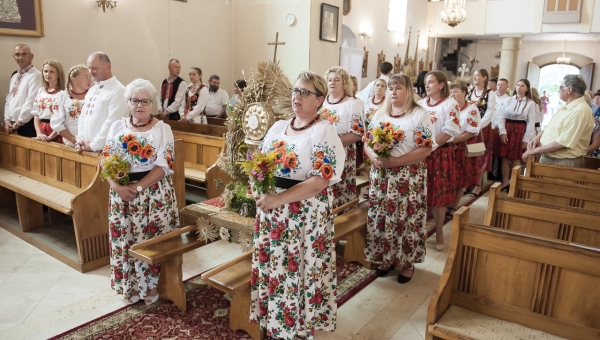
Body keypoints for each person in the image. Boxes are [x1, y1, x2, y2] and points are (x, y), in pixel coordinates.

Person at [249, 71, 345, 340]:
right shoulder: (278, 127)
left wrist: (278, 199)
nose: (297, 97)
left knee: (298, 267)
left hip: (302, 214)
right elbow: (258, 163)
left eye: (305, 92)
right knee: (276, 266)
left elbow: (319, 181)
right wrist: (257, 188)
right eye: (295, 90)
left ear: (320, 100)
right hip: (271, 211)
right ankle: (275, 321)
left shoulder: (323, 131)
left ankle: (297, 328)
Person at [102, 78, 179, 306]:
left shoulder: (162, 129)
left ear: (152, 104)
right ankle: (130, 284)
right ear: (128, 103)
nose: (140, 105)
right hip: (120, 194)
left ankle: (151, 285)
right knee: (124, 239)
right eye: (135, 100)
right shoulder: (117, 126)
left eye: (145, 101)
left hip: (151, 194)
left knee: (148, 240)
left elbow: (164, 165)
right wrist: (116, 186)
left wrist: (136, 188)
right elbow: (105, 160)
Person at [364, 74, 435, 283]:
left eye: (398, 88)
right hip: (382, 175)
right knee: (383, 216)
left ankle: (407, 262)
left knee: (405, 219)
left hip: (408, 176)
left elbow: (426, 148)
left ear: (408, 91)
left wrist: (396, 162)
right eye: (391, 88)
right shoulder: (380, 113)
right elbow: (367, 141)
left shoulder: (419, 114)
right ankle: (386, 259)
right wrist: (374, 157)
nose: (393, 92)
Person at [418, 71, 461, 252]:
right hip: (420, 153)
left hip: (440, 153)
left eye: (431, 82)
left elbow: (450, 130)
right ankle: (419, 232)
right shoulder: (420, 104)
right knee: (421, 192)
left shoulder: (451, 104)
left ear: (441, 85)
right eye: (426, 83)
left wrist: (431, 146)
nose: (427, 86)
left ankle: (440, 233)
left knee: (438, 195)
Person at [523, 75, 594, 168]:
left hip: (563, 163)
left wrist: (534, 151)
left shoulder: (580, 111)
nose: (558, 90)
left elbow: (563, 142)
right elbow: (548, 128)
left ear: (569, 90)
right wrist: (536, 139)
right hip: (552, 160)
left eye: (561, 87)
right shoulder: (566, 107)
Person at [320, 66, 365, 209]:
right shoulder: (320, 102)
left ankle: (343, 220)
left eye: (337, 80)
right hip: (320, 152)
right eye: (329, 79)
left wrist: (332, 143)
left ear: (344, 83)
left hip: (343, 151)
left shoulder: (352, 103)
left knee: (341, 189)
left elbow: (358, 134)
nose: (332, 82)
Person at [76, 52, 127, 153]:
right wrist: (80, 140)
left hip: (106, 151)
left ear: (107, 66)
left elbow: (112, 122)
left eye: (94, 68)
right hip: (87, 148)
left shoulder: (118, 90)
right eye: (89, 68)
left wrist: (93, 145)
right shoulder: (92, 90)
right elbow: (83, 117)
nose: (90, 72)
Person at [495, 79, 536, 189]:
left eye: (522, 86)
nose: (519, 87)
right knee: (504, 157)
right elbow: (501, 117)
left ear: (527, 88)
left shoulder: (530, 103)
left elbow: (531, 122)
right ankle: (504, 181)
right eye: (517, 85)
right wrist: (502, 132)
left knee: (515, 158)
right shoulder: (508, 101)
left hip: (520, 131)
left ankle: (514, 182)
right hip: (508, 129)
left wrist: (526, 139)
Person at [449, 79, 481, 214]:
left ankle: (454, 205)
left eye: (455, 91)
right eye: (451, 91)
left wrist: (454, 141)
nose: (452, 94)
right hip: (449, 145)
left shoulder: (471, 109)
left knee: (459, 177)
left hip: (462, 146)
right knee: (449, 176)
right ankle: (446, 202)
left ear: (464, 93)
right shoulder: (449, 106)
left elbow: (471, 131)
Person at [467, 69, 496, 196]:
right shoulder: (470, 91)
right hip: (468, 127)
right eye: (474, 75)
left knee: (479, 155)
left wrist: (478, 126)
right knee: (468, 154)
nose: (475, 78)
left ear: (484, 78)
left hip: (482, 129)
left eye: (477, 75)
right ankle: (467, 182)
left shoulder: (490, 94)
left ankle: (478, 185)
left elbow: (490, 113)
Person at [4, 44, 41, 137]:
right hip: (13, 124)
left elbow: (31, 102)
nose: (20, 57)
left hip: (27, 124)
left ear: (31, 56)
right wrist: (7, 120)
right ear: (13, 57)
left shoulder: (36, 75)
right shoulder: (15, 76)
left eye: (24, 54)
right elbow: (9, 100)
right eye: (17, 55)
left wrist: (18, 123)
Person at [51, 65, 92, 147]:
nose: (89, 80)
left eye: (90, 77)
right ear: (74, 79)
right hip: (70, 144)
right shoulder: (62, 96)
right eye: (85, 77)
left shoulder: (93, 95)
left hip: (90, 143)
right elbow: (57, 124)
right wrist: (75, 140)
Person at [31, 59, 66, 143]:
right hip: (42, 128)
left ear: (58, 74)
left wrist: (50, 137)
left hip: (57, 131)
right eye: (45, 71)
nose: (48, 74)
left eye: (52, 72)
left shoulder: (63, 93)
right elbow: (36, 114)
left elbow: (65, 119)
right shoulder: (41, 91)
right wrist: (38, 133)